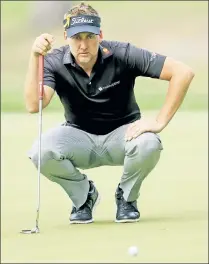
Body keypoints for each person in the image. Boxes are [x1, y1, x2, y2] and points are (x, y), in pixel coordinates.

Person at [24, 2, 195, 224]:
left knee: (149, 143)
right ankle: (84, 196)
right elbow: (33, 105)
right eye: (77, 37)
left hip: (123, 136)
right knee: (40, 151)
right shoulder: (54, 61)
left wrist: (159, 121)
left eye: (89, 36)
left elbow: (183, 72)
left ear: (100, 35)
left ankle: (126, 197)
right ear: (66, 36)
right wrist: (35, 55)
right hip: (79, 137)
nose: (83, 45)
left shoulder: (123, 53)